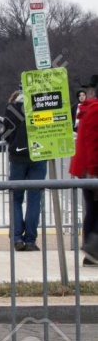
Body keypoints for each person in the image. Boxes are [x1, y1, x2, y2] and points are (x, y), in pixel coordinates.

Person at [3, 89, 48, 252]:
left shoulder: (11, 109)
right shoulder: (41, 106)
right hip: (39, 155)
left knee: (16, 198)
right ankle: (30, 240)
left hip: (17, 157)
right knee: (34, 199)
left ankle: (17, 238)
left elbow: (5, 134)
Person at [72, 76, 98, 265]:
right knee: (94, 210)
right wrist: (93, 170)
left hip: (87, 169)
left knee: (93, 210)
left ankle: (90, 250)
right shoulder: (95, 111)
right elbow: (93, 144)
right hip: (92, 170)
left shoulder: (88, 110)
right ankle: (92, 249)